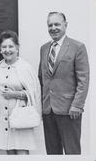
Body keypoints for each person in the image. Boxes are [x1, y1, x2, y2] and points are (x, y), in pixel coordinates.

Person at [38, 12, 90, 154]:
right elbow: (41, 78)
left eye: (57, 24)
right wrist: (42, 105)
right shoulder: (43, 49)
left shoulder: (77, 47)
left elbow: (83, 80)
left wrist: (77, 105)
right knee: (52, 152)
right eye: (50, 25)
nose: (53, 28)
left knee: (72, 151)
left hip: (69, 110)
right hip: (48, 110)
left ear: (65, 25)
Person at [0, 30, 41, 155]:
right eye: (4, 47)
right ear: (0, 49)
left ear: (17, 48)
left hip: (21, 115)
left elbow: (34, 93)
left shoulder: (25, 67)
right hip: (2, 116)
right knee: (9, 150)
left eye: (10, 46)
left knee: (21, 151)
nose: (7, 50)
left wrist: (15, 94)